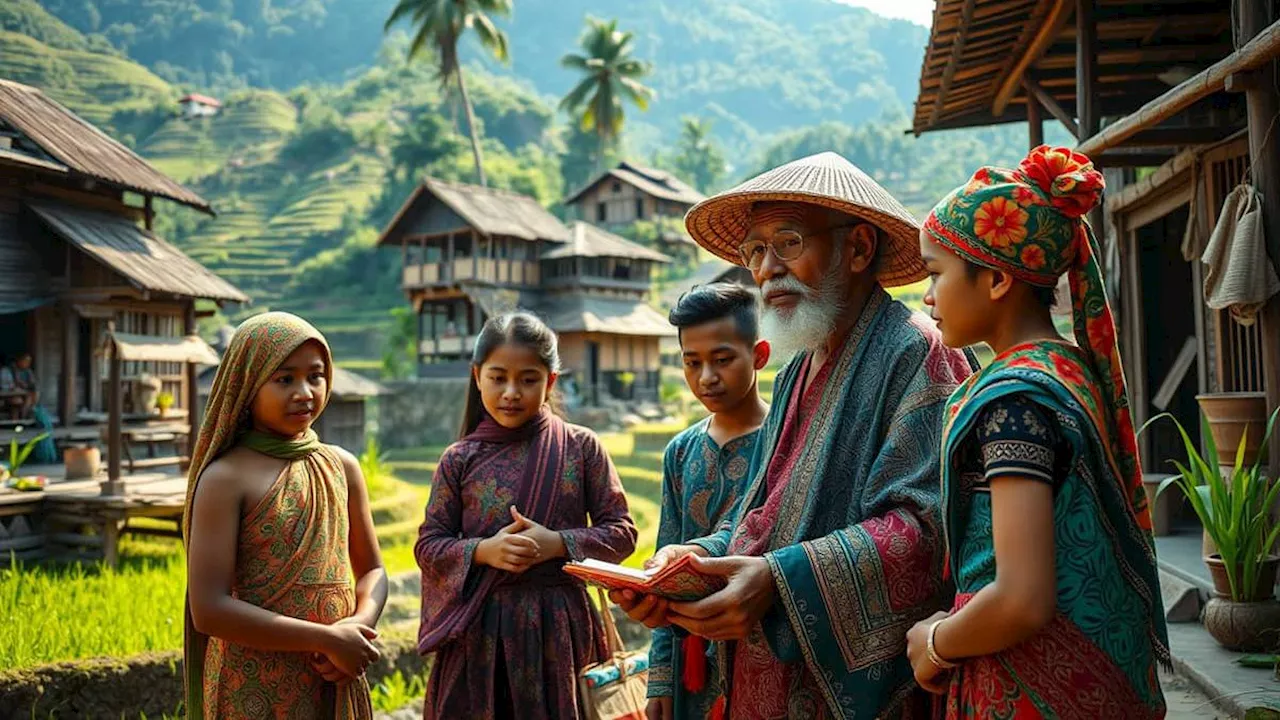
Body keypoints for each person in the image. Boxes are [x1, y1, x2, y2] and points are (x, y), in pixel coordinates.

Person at [613, 151, 976, 719]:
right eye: (755, 250)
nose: (765, 270)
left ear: (857, 248)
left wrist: (780, 582)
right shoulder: (794, 375)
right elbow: (760, 514)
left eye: (787, 242)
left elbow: (928, 531)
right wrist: (696, 562)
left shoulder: (917, 355)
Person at [906, 146, 1168, 718]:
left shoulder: (1015, 403)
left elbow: (1023, 598)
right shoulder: (1069, 371)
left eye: (934, 274)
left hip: (1028, 690)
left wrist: (933, 643)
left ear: (996, 279)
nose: (926, 297)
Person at [415, 311, 637, 719]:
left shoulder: (581, 448)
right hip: (480, 637)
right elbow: (429, 545)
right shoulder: (459, 459)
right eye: (498, 378)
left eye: (528, 379)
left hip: (562, 633)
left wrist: (557, 544)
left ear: (550, 381)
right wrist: (483, 551)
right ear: (477, 375)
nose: (511, 392)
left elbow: (622, 533)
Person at [184, 312, 387, 719]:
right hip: (253, 685)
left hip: (334, 675)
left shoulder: (342, 466)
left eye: (316, 376)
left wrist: (355, 630)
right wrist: (326, 639)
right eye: (284, 379)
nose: (305, 392)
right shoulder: (226, 479)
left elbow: (373, 572)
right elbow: (209, 609)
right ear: (247, 386)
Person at [649, 283, 770, 720]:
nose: (706, 378)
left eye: (722, 360)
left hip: (766, 645)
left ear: (759, 355)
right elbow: (667, 553)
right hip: (691, 657)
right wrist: (659, 675)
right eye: (691, 363)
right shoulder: (680, 452)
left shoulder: (786, 439)